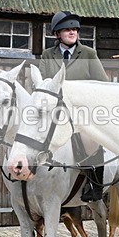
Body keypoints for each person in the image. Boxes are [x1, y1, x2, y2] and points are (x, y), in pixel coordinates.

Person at [39, 11, 108, 201]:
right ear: (57, 34)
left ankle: (95, 186)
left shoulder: (88, 53)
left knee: (90, 141)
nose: (72, 32)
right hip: (55, 112)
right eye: (67, 30)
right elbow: (43, 83)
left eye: (75, 29)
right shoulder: (47, 55)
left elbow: (102, 83)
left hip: (81, 112)